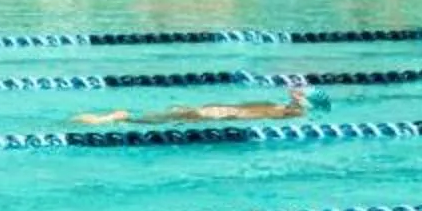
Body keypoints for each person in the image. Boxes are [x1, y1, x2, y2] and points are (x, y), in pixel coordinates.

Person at [73, 83, 313, 126]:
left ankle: (119, 117)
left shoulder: (270, 104)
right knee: (159, 121)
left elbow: (242, 106)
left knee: (164, 117)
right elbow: (242, 115)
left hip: (212, 109)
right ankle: (115, 118)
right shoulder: (280, 113)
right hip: (214, 114)